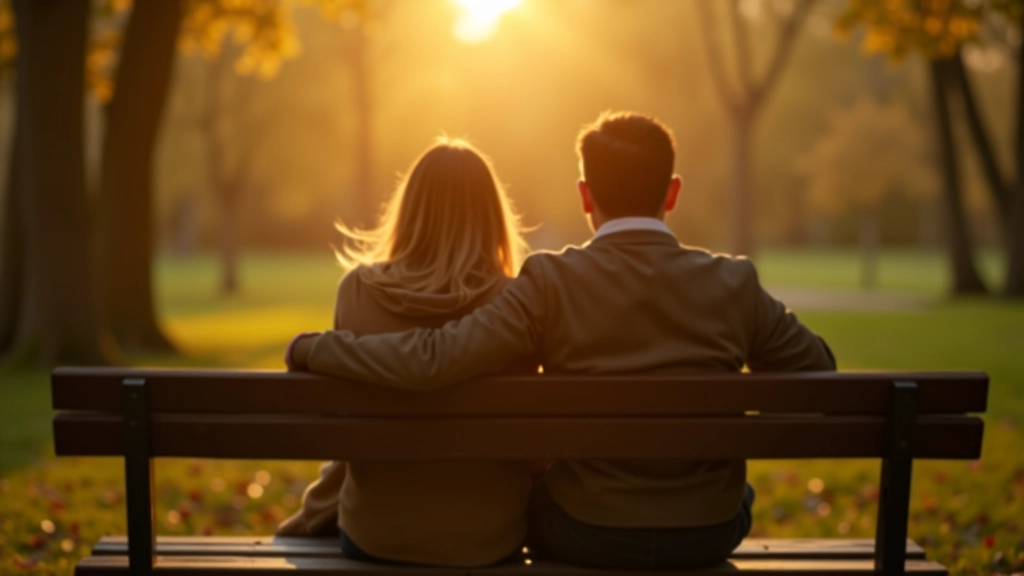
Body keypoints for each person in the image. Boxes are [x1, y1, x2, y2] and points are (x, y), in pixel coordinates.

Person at [285, 111, 836, 569]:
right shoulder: (733, 284)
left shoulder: (551, 283)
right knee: (734, 496)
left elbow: (439, 359)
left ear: (584, 195)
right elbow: (817, 372)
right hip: (708, 530)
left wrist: (315, 349)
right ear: (672, 192)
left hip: (586, 529)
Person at [277, 139, 535, 568]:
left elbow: (346, 433)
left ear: (410, 209)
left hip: (374, 536)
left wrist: (310, 515)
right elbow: (531, 447)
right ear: (491, 214)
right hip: (487, 540)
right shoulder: (512, 303)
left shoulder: (357, 292)